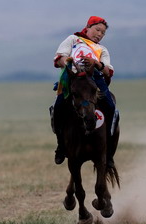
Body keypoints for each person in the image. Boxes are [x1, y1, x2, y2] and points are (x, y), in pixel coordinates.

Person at [52, 16, 118, 167]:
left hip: (94, 80)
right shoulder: (73, 39)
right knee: (58, 108)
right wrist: (68, 62)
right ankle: (61, 146)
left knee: (111, 107)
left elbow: (108, 72)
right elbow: (59, 58)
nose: (100, 34)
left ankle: (108, 152)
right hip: (73, 78)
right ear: (88, 27)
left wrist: (96, 63)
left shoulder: (102, 50)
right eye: (97, 30)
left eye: (103, 33)